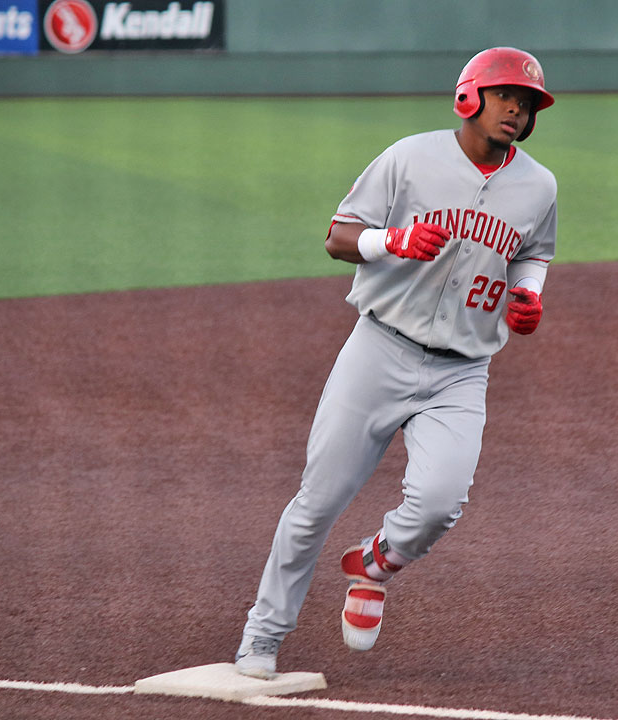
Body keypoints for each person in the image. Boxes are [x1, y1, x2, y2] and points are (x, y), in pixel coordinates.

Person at [234, 46, 558, 678]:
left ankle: (374, 563)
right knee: (317, 502)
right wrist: (394, 242)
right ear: (471, 97)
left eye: (526, 104)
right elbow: (338, 235)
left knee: (440, 501)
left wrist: (529, 296)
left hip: (462, 369)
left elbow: (534, 252)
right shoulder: (410, 157)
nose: (515, 111)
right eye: (505, 97)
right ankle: (261, 638)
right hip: (379, 349)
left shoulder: (539, 186)